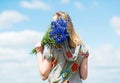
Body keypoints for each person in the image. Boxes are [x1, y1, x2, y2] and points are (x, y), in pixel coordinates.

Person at [34, 11, 89, 83]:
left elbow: (44, 75)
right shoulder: (82, 49)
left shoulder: (52, 47)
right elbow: (84, 76)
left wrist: (39, 52)